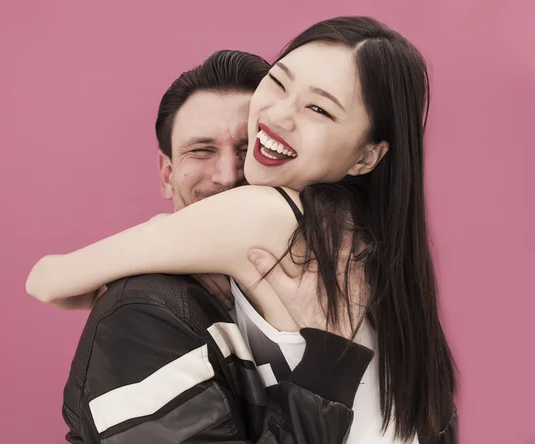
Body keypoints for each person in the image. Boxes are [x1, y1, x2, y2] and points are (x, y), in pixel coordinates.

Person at [28, 16, 458, 443]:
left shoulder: (265, 216)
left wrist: (163, 235)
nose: (280, 115)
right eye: (280, 82)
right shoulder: (385, 258)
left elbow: (48, 280)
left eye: (319, 109)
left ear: (367, 157)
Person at [56, 49, 372, 444]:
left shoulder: (342, 280)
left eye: (248, 148)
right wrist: (328, 370)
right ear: (168, 175)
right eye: (201, 150)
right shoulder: (142, 315)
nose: (227, 176)